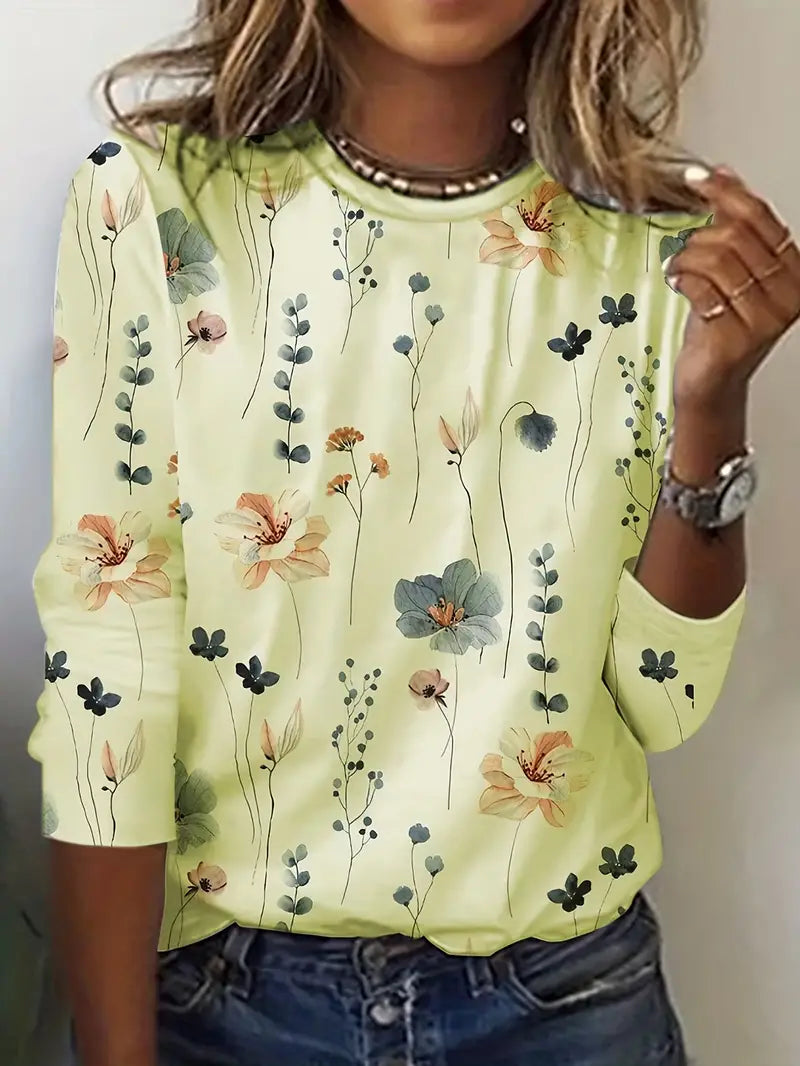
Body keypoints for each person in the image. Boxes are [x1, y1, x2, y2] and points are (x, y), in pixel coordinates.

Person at [29, 1, 799, 1064]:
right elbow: (108, 672)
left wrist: (712, 408)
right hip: (226, 1002)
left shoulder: (661, 249)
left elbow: (661, 701)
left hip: (566, 1002)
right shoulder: (154, 204)